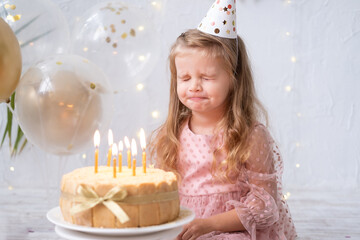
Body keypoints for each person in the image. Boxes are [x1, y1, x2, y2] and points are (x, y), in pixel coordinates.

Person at [149, 1, 297, 239]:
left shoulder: (249, 135)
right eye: (185, 78)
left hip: (233, 230)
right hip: (185, 230)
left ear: (234, 78)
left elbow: (265, 206)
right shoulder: (172, 134)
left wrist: (208, 225)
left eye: (206, 77)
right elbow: (161, 193)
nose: (195, 86)